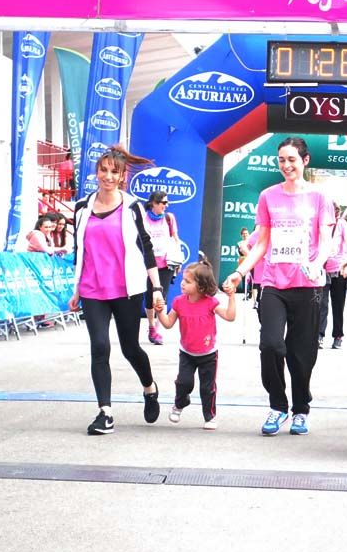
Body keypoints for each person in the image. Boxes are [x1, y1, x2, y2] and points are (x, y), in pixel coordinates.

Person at [223, 137, 334, 437]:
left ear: (305, 161)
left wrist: (318, 262)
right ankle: (277, 405)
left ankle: (300, 410)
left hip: (308, 284)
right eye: (282, 160)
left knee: (302, 354)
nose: (286, 166)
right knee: (271, 344)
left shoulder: (320, 198)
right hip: (273, 281)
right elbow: (263, 242)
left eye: (292, 160)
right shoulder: (268, 196)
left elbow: (325, 239)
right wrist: (239, 272)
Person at [69, 144, 164, 436]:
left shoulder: (132, 206)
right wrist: (75, 290)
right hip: (92, 289)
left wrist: (157, 288)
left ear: (122, 176)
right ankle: (105, 413)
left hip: (127, 289)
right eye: (103, 170)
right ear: (96, 171)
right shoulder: (82, 207)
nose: (108, 176)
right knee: (99, 347)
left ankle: (149, 388)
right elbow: (79, 250)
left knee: (130, 348)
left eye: (114, 172)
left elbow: (145, 247)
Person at [156, 260, 237, 430]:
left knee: (207, 388)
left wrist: (231, 297)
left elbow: (230, 316)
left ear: (200, 286)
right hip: (187, 353)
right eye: (183, 280)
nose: (182, 284)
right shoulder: (178, 302)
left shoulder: (210, 303)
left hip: (208, 354)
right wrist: (160, 311)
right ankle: (180, 403)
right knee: (184, 383)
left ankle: (210, 416)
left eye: (187, 281)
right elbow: (168, 323)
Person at [141, 190, 180, 345]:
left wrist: (177, 259)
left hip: (166, 264)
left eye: (167, 202)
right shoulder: (143, 218)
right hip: (148, 265)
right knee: (149, 298)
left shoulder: (169, 218)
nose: (166, 205)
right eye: (163, 203)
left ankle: (158, 329)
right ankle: (151, 326)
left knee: (161, 298)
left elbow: (175, 239)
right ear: (153, 203)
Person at [319, 205, 347, 349]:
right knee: (322, 305)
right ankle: (319, 335)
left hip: (338, 269)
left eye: (336, 210)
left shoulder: (342, 225)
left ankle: (338, 336)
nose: (334, 213)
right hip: (323, 269)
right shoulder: (322, 224)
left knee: (338, 305)